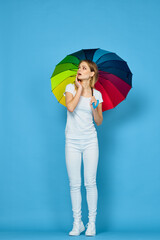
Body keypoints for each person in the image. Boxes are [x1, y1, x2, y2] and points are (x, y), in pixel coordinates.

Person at [63, 60, 103, 236]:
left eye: (84, 68)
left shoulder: (97, 94)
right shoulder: (70, 88)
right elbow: (70, 107)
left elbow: (99, 121)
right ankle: (77, 223)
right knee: (74, 184)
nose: (80, 70)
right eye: (79, 68)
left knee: (90, 182)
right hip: (72, 141)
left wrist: (95, 107)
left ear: (92, 73)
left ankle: (91, 223)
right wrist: (80, 90)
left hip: (90, 142)